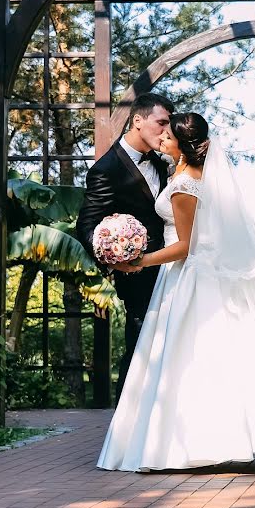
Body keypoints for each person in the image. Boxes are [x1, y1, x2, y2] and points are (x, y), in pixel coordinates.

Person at [96, 112, 255, 472]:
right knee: (190, 359)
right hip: (184, 275)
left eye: (168, 135)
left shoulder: (184, 185)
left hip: (187, 275)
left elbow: (185, 247)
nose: (162, 138)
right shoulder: (183, 174)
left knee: (188, 358)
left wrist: (139, 260)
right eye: (161, 132)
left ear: (182, 145)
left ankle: (185, 445)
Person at [76, 92, 175, 400]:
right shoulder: (106, 170)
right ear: (138, 120)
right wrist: (115, 260)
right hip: (137, 276)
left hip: (175, 267)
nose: (166, 131)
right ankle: (125, 427)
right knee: (140, 347)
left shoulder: (163, 162)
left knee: (171, 349)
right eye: (161, 123)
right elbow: (87, 227)